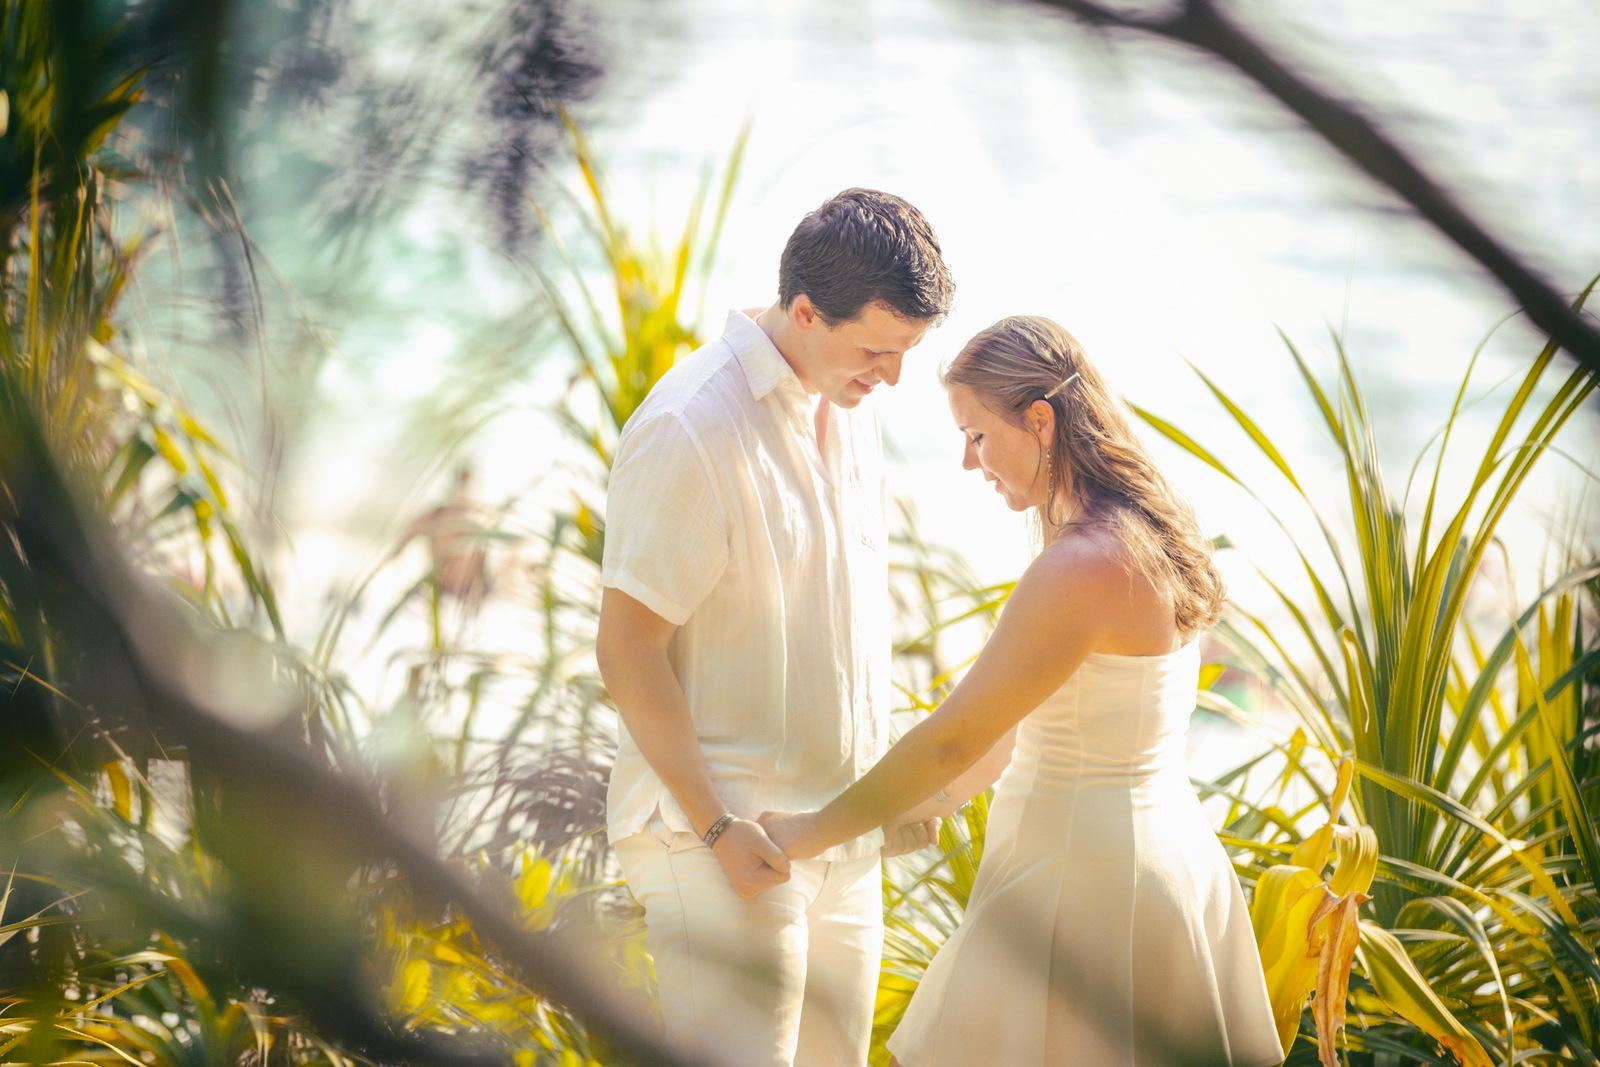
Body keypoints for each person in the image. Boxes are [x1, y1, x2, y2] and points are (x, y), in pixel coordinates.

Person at [760, 316, 1284, 1066]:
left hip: (1084, 882)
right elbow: (1012, 736)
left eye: (977, 435)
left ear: (1040, 420)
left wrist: (809, 832)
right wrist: (910, 812)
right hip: (1156, 861)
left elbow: (956, 735)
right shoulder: (1141, 533)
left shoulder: (1083, 562)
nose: (968, 461)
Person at [594, 189, 955, 1067]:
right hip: (718, 839)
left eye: (906, 351)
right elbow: (626, 646)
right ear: (802, 312)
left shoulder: (848, 404)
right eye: (878, 348)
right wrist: (719, 827)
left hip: (838, 842)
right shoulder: (693, 425)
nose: (893, 376)